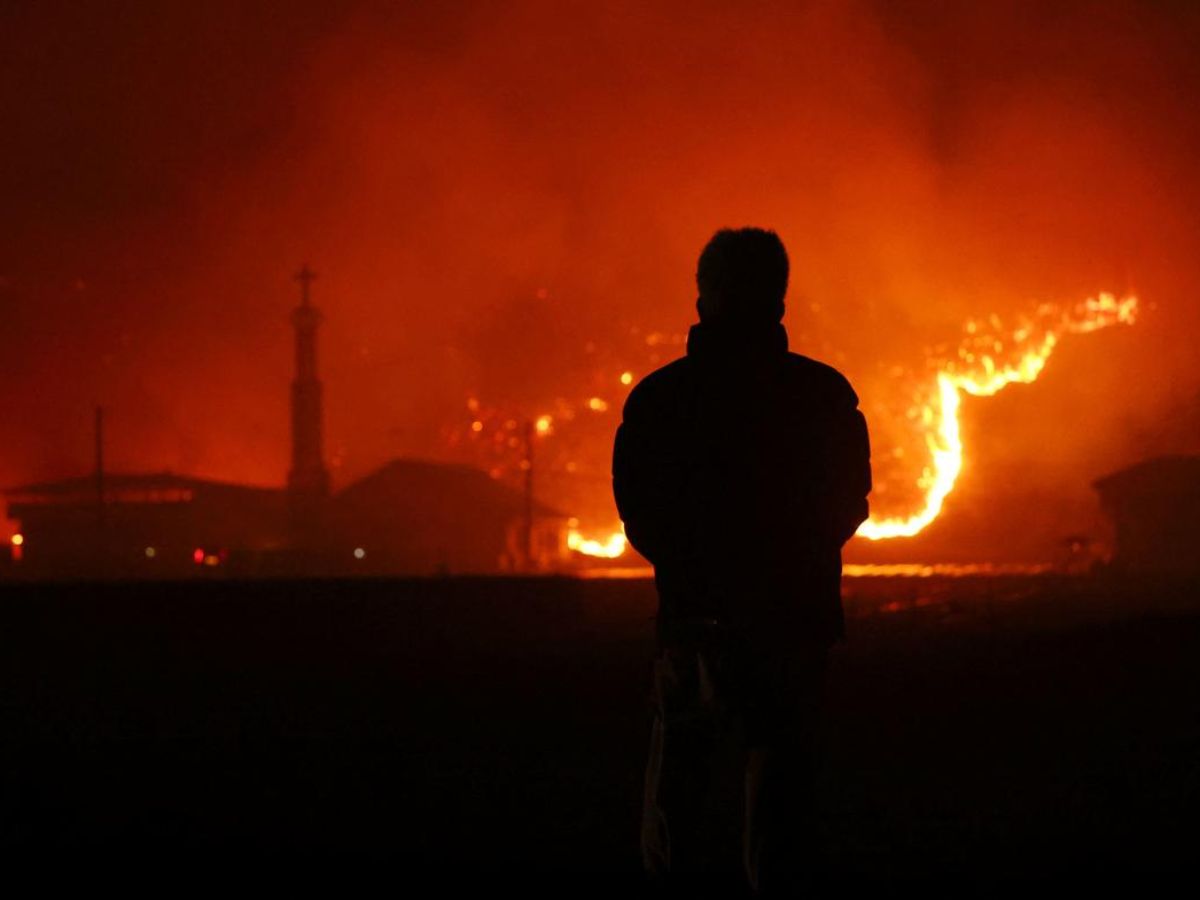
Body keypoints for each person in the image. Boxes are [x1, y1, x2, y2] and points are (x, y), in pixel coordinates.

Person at [612, 227, 871, 892]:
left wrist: (699, 572)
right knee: (781, 805)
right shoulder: (822, 395)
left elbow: (639, 513)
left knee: (677, 805)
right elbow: (849, 505)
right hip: (792, 625)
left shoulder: (659, 400)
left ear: (702, 298)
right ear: (779, 302)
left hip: (696, 626)